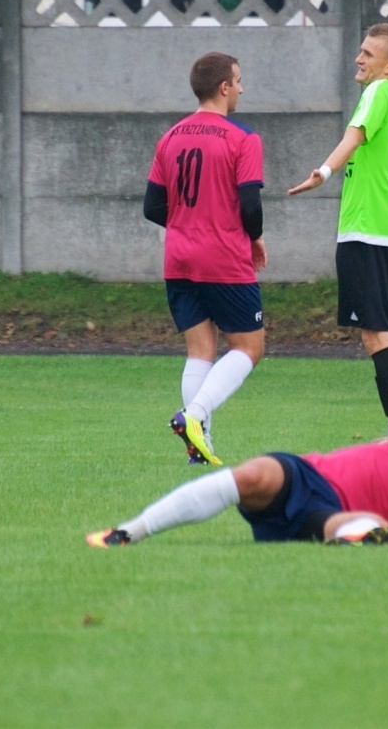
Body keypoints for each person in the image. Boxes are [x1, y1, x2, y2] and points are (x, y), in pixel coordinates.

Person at [288, 24, 388, 437]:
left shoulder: (378, 92)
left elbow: (355, 136)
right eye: (360, 51)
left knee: (378, 333)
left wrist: (323, 172)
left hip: (366, 229)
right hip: (387, 227)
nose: (359, 59)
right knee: (379, 330)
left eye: (368, 53)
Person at [144, 52, 266, 467]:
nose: (242, 88)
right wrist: (254, 238)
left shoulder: (170, 137)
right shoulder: (243, 137)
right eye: (239, 80)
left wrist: (187, 221)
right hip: (224, 259)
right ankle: (193, 416)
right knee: (249, 347)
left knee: (199, 352)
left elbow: (152, 207)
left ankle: (201, 446)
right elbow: (250, 203)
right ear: (224, 87)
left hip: (178, 259)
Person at [86, 437, 388, 547]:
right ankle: (130, 531)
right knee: (251, 477)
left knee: (365, 526)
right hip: (306, 475)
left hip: (324, 515)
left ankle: (357, 538)